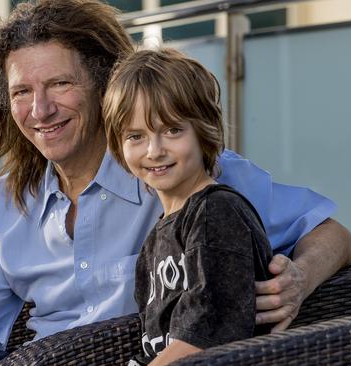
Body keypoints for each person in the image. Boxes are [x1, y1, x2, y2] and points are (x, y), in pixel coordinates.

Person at [0, 1, 351, 365]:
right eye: (23, 91)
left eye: (60, 84)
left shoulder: (181, 175)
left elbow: (334, 234)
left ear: (103, 86)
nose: (39, 110)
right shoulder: (8, 199)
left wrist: (300, 279)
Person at [103, 47, 274, 366]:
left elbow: (208, 335)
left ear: (203, 130)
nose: (154, 150)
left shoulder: (215, 213)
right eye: (136, 136)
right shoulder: (156, 236)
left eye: (172, 130)